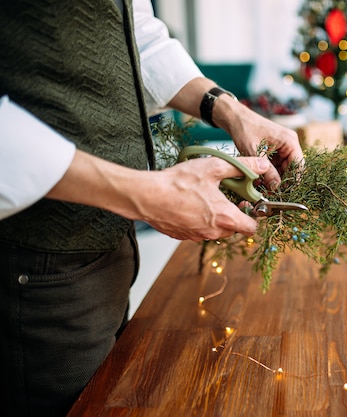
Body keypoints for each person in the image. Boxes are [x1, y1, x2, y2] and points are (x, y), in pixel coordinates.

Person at [0, 1, 304, 416]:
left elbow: (136, 33)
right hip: (35, 259)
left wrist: (231, 110)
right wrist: (145, 194)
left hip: (109, 247)